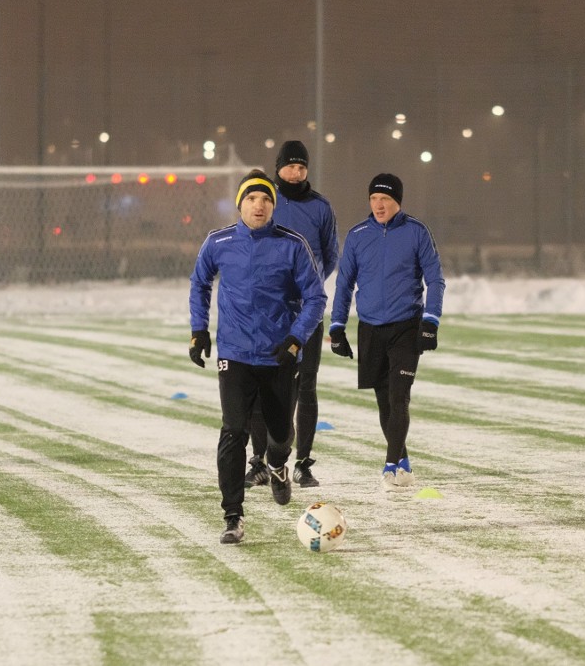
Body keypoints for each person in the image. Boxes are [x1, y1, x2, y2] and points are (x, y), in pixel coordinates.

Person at [189, 169, 327, 544]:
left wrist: (296, 339)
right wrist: (199, 330)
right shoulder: (218, 242)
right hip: (234, 354)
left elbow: (316, 298)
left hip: (278, 356)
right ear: (240, 204)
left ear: (273, 205)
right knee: (233, 431)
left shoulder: (292, 244)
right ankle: (233, 516)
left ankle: (279, 464)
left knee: (281, 435)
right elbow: (200, 282)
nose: (259, 205)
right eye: (251, 198)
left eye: (265, 199)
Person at [329, 173, 445, 492]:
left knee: (399, 396)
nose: (379, 205)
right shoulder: (357, 235)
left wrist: (430, 321)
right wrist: (337, 327)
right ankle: (403, 463)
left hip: (406, 325)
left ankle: (390, 464)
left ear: (397, 202)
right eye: (374, 199)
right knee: (384, 402)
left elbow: (435, 280)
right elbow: (344, 284)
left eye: (386, 200)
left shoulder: (416, 232)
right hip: (370, 328)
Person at [244, 141, 339, 490]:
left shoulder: (320, 207)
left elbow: (330, 254)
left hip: (307, 314)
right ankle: (259, 462)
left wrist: (308, 286)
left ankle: (302, 463)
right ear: (278, 167)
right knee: (260, 385)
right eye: (290, 167)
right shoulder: (264, 200)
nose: (296, 173)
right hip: (269, 314)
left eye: (302, 167)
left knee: (306, 386)